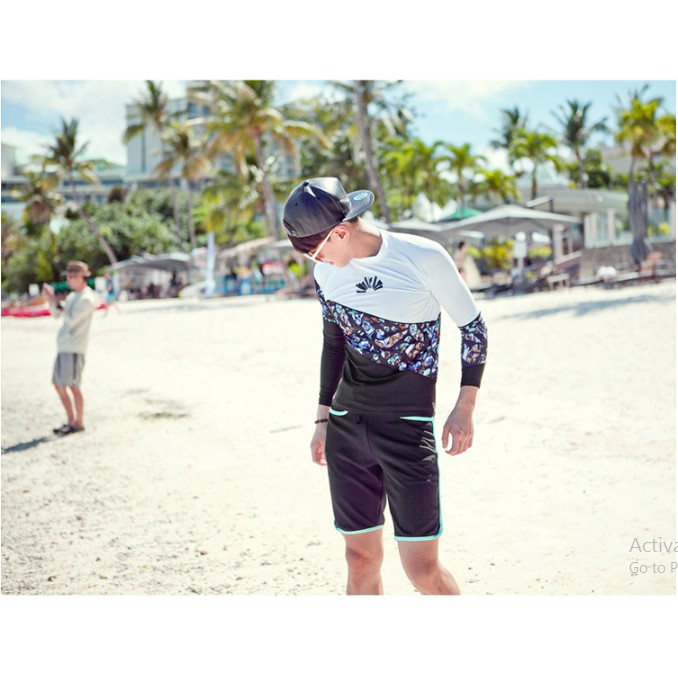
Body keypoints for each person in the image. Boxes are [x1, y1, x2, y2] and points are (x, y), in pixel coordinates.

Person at [282, 177, 488, 595]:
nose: (315, 262)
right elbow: (334, 345)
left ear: (340, 233)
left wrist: (464, 406)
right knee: (359, 560)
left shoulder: (422, 256)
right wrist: (322, 421)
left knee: (422, 570)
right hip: (347, 427)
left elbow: (474, 330)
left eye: (315, 252)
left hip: (407, 428)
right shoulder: (327, 274)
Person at [42, 260, 98, 436]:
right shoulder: (74, 296)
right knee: (59, 385)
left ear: (81, 277)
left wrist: (56, 301)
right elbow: (57, 314)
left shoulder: (87, 298)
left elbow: (71, 320)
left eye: (73, 276)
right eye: (68, 276)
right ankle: (71, 421)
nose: (70, 280)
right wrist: (52, 301)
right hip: (65, 347)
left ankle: (77, 423)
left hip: (74, 347)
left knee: (73, 386)